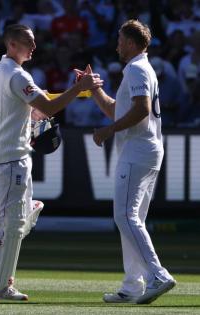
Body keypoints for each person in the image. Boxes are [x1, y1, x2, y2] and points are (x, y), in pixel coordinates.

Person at [0, 23, 102, 301]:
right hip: (12, 155)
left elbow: (10, 104)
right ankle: (1, 287)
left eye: (35, 42)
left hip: (6, 152)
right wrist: (81, 88)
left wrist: (29, 112)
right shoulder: (17, 75)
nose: (34, 48)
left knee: (15, 219)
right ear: (12, 45)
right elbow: (49, 107)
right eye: (28, 42)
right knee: (13, 224)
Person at [86, 19, 176, 304]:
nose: (117, 45)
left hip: (138, 150)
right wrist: (92, 88)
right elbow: (118, 109)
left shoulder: (137, 68)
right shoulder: (139, 69)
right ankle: (132, 286)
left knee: (124, 216)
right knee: (132, 218)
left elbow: (141, 109)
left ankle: (158, 275)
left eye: (121, 40)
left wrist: (108, 131)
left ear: (132, 44)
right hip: (146, 150)